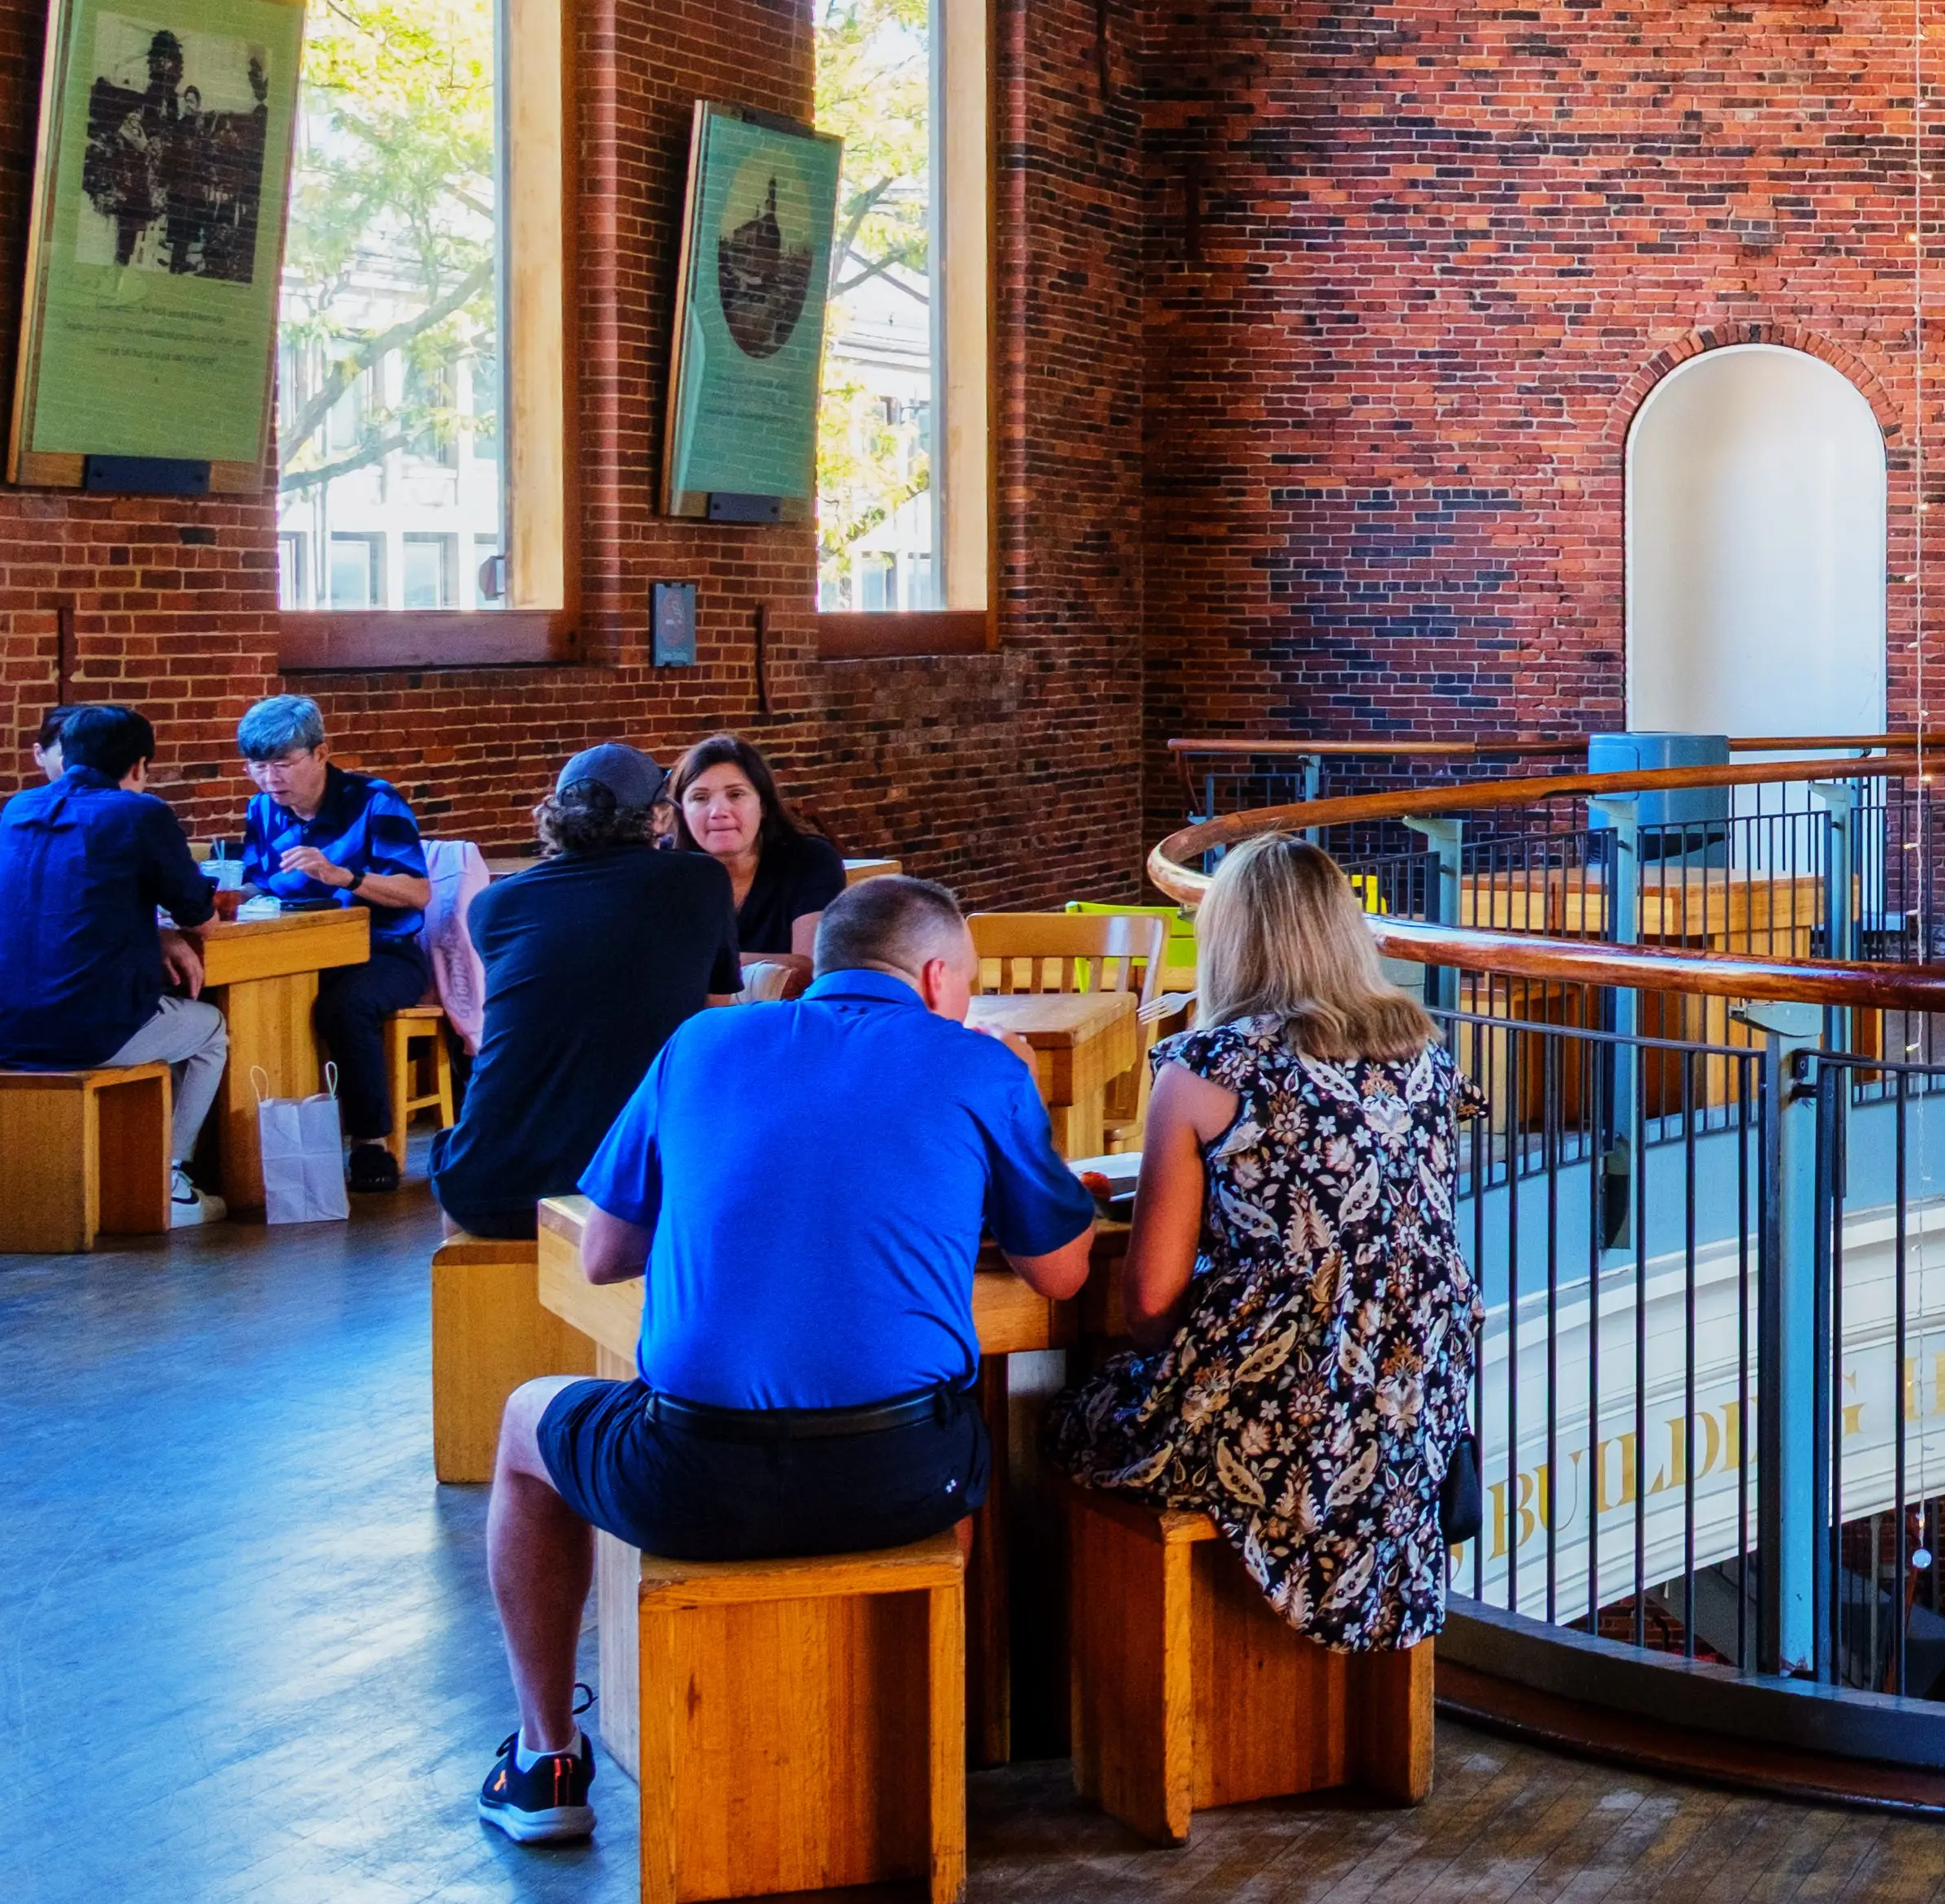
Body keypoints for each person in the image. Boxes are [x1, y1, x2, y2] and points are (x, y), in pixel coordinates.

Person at [473, 872, 1098, 1848]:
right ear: (939, 978)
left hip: (691, 1479)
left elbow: (603, 1254)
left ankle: (544, 1759)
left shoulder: (700, 1044)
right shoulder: (976, 1066)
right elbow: (1058, 1274)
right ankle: (933, 1751)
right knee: (955, 1418)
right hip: (902, 1479)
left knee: (524, 1418)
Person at [1061, 835, 1478, 1653]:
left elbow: (1147, 1305)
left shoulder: (1208, 1067)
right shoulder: (1424, 1054)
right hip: (1407, 1426)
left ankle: (1052, 1715)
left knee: (1068, 1424)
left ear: (1229, 939)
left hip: (1278, 1433)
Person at [431, 745, 739, 1244]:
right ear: (658, 815)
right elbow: (712, 1028)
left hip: (489, 1188)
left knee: (458, 1154)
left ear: (552, 816)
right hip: (629, 1183)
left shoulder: (493, 905)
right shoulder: (697, 879)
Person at [0, 706, 227, 1206]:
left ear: (66, 757)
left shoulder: (21, 808)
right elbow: (200, 917)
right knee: (210, 1029)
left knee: (168, 1023)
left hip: (0, 1028)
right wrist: (171, 929)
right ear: (138, 766)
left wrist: (152, 933)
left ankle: (132, 1167)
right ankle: (168, 1181)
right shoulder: (140, 811)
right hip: (90, 1031)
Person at [231, 693, 436, 1193]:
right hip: (298, 948)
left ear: (321, 753)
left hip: (383, 952)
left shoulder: (374, 801)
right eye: (258, 767)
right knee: (247, 1001)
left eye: (282, 764)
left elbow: (417, 892)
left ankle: (370, 1143)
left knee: (344, 1006)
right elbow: (259, 884)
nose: (270, 779)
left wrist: (343, 875)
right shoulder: (261, 810)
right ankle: (240, 1156)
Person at [668, 730, 852, 974]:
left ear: (762, 806)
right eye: (700, 798)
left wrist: (702, 963)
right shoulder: (666, 871)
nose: (718, 811)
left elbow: (811, 968)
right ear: (682, 811)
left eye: (736, 794)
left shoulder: (809, 859)